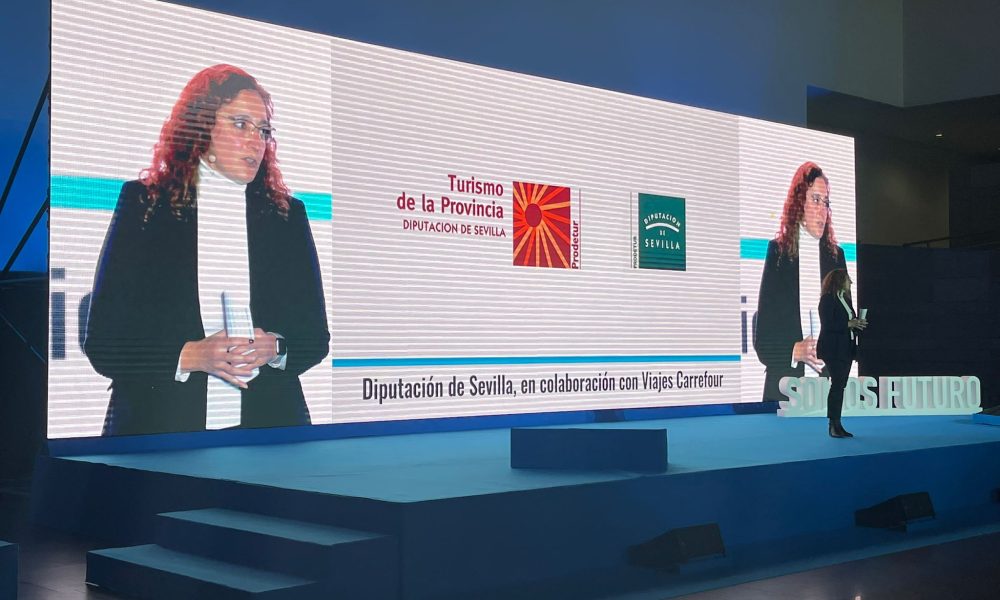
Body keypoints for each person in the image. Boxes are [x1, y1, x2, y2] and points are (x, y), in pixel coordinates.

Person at [84, 64, 329, 436]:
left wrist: (275, 349)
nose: (256, 141)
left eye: (263, 130)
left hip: (270, 435)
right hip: (160, 435)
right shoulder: (145, 205)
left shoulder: (286, 216)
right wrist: (191, 356)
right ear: (201, 127)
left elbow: (315, 338)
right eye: (241, 124)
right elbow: (105, 344)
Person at [754, 162, 847, 403]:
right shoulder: (778, 254)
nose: (822, 210)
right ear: (799, 203)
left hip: (828, 392)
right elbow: (763, 340)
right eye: (815, 200)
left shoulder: (836, 258)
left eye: (826, 202)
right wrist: (795, 351)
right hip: (784, 392)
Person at [817, 269, 866, 437]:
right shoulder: (827, 300)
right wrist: (848, 324)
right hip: (833, 349)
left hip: (846, 348)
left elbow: (846, 323)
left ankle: (837, 424)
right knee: (837, 385)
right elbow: (828, 325)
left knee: (840, 385)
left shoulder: (845, 299)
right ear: (839, 281)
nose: (850, 282)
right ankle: (833, 424)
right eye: (847, 279)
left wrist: (857, 324)